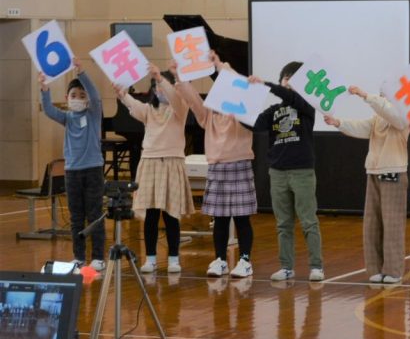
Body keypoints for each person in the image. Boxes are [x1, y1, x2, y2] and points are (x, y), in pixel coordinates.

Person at [173, 53, 256, 279]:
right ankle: (220, 259)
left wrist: (220, 66)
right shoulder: (208, 116)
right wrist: (179, 75)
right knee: (219, 219)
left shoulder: (241, 113)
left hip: (239, 165)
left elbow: (239, 85)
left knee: (241, 218)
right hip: (217, 168)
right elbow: (192, 100)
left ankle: (245, 260)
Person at [325, 85, 409, 284]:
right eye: (381, 94)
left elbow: (390, 114)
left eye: (385, 94)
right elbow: (362, 127)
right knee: (371, 223)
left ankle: (393, 271)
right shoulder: (378, 118)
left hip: (394, 170)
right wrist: (338, 123)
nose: (382, 97)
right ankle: (374, 268)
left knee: (392, 224)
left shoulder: (402, 114)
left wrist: (365, 94)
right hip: (373, 170)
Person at [115, 64, 194, 274]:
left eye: (161, 86)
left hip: (171, 162)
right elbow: (136, 107)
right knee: (151, 214)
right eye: (155, 86)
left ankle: (173, 258)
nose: (158, 90)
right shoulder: (150, 110)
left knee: (171, 214)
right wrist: (123, 95)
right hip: (149, 162)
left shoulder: (180, 108)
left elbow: (174, 97)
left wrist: (160, 78)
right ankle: (150, 258)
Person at [251, 62, 324, 282]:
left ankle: (316, 266)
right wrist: (234, 107)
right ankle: (286, 267)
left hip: (302, 172)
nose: (289, 82)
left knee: (308, 220)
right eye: (286, 78)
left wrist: (267, 84)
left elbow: (290, 96)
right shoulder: (273, 111)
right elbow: (253, 124)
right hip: (278, 172)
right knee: (283, 223)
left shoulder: (306, 106)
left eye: (294, 79)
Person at [39, 58, 105, 270]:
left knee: (94, 214)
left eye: (82, 96)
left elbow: (95, 96)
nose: (78, 98)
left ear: (87, 100)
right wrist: (44, 89)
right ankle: (79, 256)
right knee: (76, 217)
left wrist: (82, 73)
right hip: (72, 172)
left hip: (93, 170)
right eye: (74, 95)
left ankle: (98, 257)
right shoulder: (67, 117)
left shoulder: (93, 115)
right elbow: (48, 109)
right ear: (67, 98)